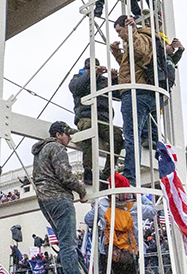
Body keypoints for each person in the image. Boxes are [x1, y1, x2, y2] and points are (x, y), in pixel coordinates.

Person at [31, 121, 88, 274]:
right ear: (58, 135)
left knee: (66, 243)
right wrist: (81, 190)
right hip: (60, 199)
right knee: (69, 244)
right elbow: (65, 175)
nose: (70, 138)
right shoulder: (57, 147)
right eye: (67, 134)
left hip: (45, 201)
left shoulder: (40, 151)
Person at [110, 15, 154, 186]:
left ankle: (131, 175)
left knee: (131, 136)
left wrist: (131, 33)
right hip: (141, 92)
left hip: (135, 92)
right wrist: (117, 52)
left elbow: (141, 53)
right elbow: (131, 63)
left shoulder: (140, 37)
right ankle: (132, 172)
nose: (119, 35)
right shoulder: (140, 38)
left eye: (120, 31)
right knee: (135, 135)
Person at [69, 58, 124, 185]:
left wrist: (114, 79)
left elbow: (118, 95)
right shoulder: (78, 78)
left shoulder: (104, 81)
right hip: (85, 116)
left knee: (117, 136)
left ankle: (107, 173)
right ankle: (88, 170)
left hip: (103, 119)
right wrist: (91, 75)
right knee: (88, 131)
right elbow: (76, 88)